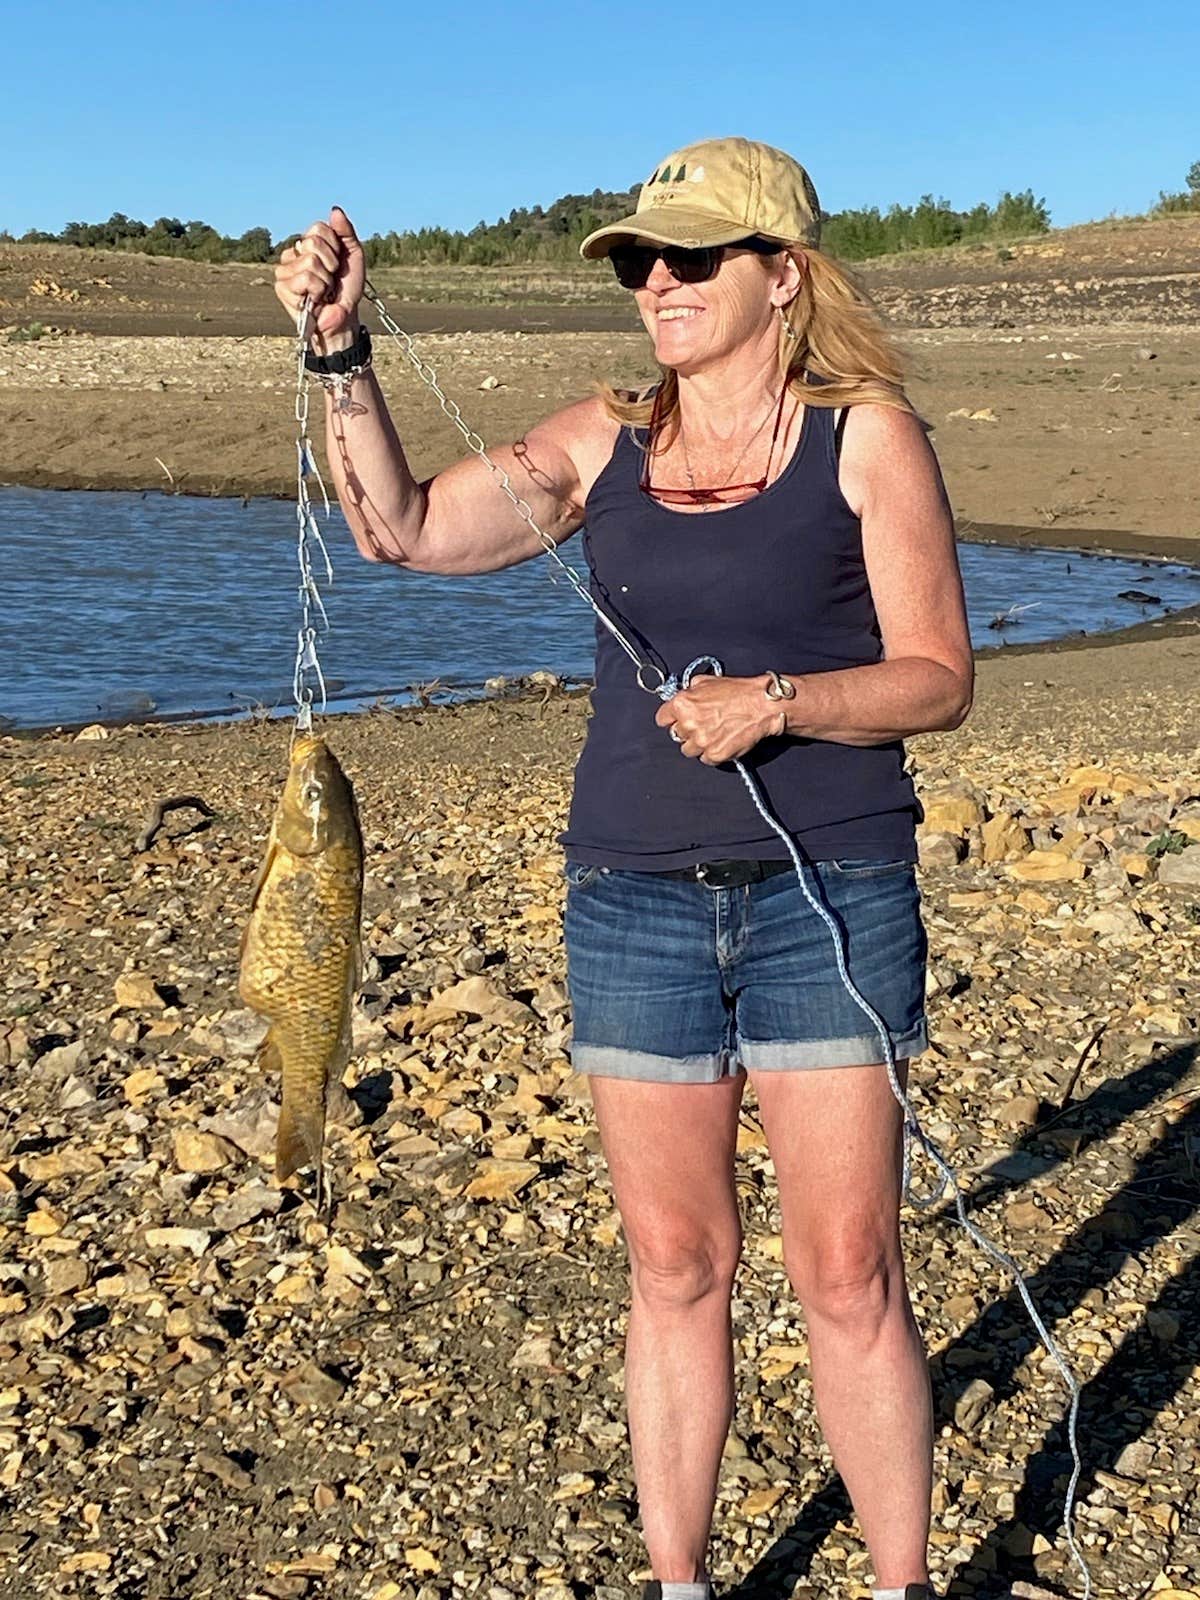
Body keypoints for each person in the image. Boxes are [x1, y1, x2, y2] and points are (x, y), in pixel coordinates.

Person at [275, 136, 973, 1600]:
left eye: (693, 258)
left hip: (827, 898)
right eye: (642, 260)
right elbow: (400, 529)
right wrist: (341, 356)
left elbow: (937, 677)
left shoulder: (870, 438)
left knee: (848, 1276)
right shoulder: (605, 435)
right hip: (634, 902)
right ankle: (678, 1584)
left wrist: (780, 701)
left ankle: (902, 1585)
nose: (657, 281)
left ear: (781, 277)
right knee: (674, 1269)